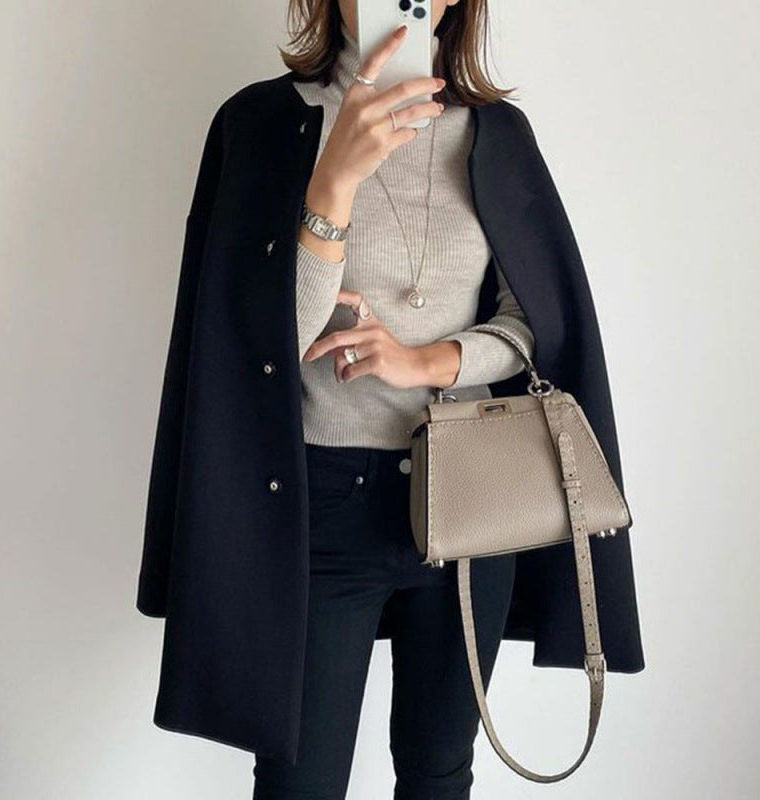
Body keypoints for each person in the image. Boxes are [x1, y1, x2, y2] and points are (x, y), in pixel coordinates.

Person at [252, 2, 532, 798]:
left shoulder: (498, 136)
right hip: (322, 500)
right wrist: (335, 180)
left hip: (471, 494)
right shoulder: (265, 123)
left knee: (440, 774)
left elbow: (534, 324)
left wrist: (427, 361)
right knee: (299, 781)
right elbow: (265, 344)